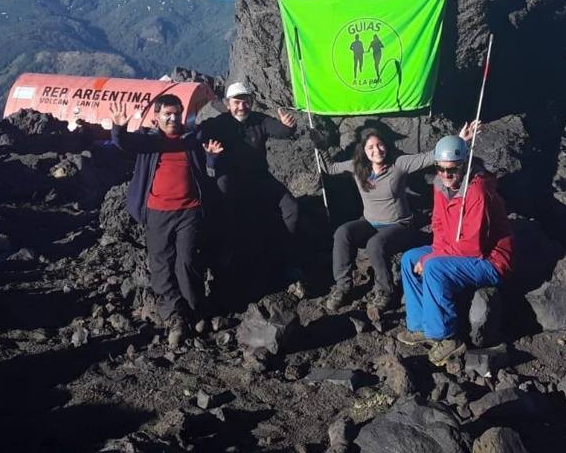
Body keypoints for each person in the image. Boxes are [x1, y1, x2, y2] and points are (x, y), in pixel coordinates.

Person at [109, 95, 223, 347]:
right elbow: (123, 143)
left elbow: (208, 167)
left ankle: (195, 310)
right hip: (157, 212)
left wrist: (213, 158)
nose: (172, 119)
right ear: (157, 117)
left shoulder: (193, 140)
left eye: (176, 114)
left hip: (190, 211)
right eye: (167, 114)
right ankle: (175, 316)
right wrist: (118, 127)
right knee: (161, 265)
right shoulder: (149, 142)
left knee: (188, 261)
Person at [397, 128, 513, 365]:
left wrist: (433, 259)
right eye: (440, 168)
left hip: (490, 261)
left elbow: (472, 246)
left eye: (452, 169)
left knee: (434, 268)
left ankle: (446, 338)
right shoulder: (441, 185)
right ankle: (421, 327)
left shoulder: (477, 191)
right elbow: (438, 224)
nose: (446, 174)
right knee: (410, 259)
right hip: (454, 248)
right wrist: (434, 253)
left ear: (465, 165)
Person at [314, 127, 433, 313]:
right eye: (371, 147)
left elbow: (429, 157)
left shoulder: (399, 164)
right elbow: (330, 168)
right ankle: (343, 287)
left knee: (375, 244)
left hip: (400, 225)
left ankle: (385, 291)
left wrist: (460, 142)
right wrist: (321, 147)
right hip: (370, 223)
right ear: (364, 151)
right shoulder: (358, 166)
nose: (376, 150)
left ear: (386, 146)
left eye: (380, 145)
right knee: (342, 232)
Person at [199, 81, 302, 285]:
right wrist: (210, 156)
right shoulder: (217, 124)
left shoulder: (258, 120)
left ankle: (287, 255)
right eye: (236, 102)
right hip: (229, 181)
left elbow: (280, 130)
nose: (241, 106)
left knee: (292, 208)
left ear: (252, 102)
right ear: (228, 104)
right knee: (232, 216)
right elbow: (201, 145)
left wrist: (289, 126)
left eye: (245, 102)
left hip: (258, 177)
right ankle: (229, 260)